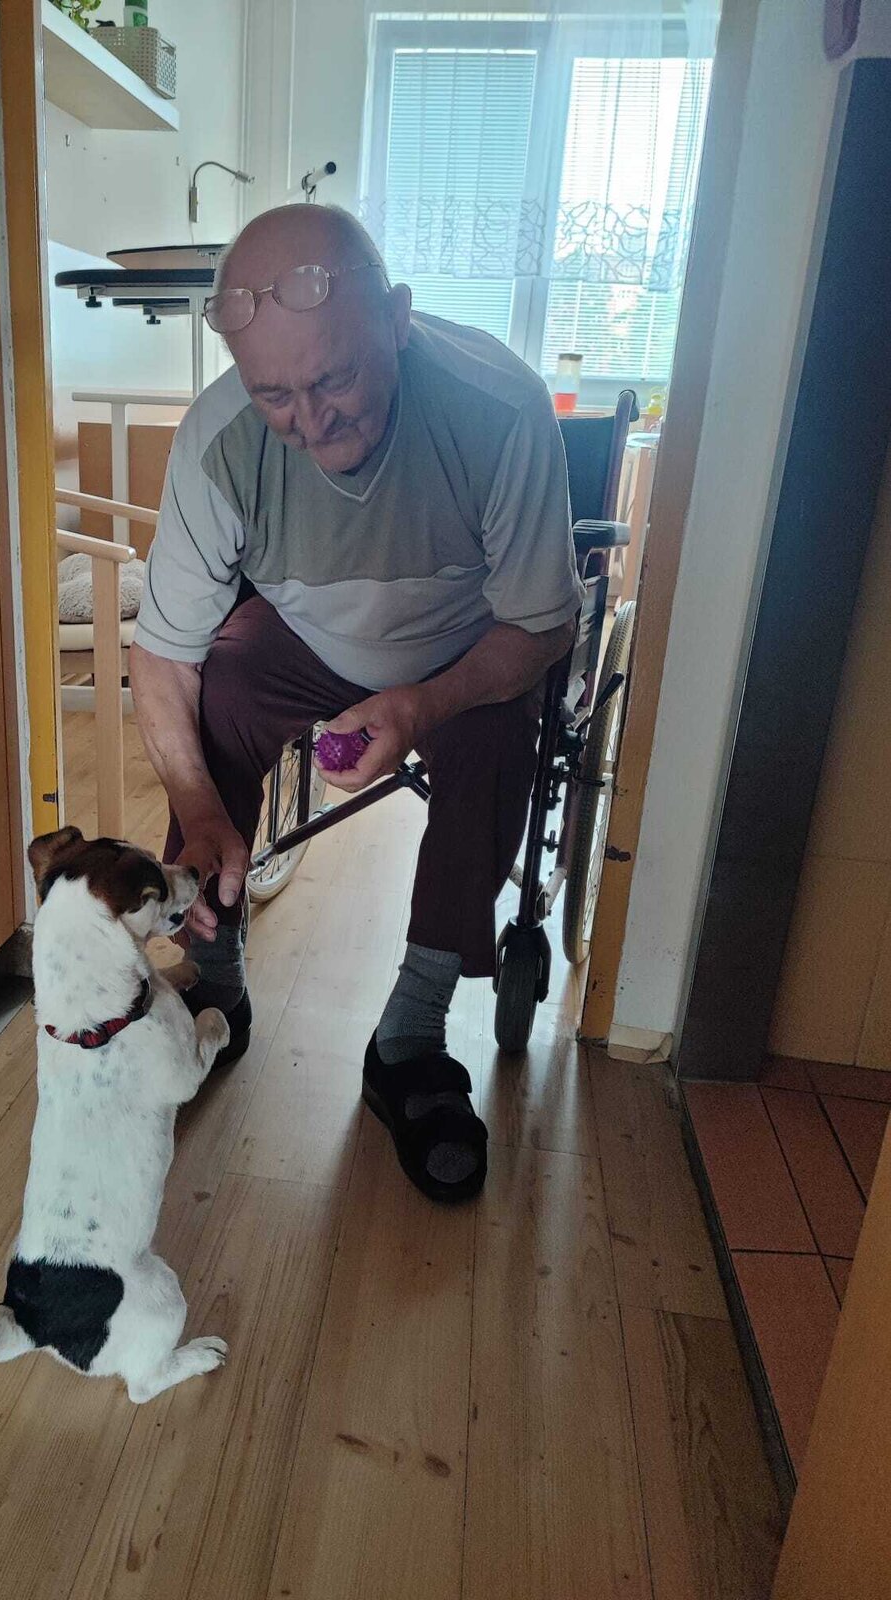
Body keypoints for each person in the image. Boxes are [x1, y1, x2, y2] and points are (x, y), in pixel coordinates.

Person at [130, 204, 579, 1203]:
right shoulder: (219, 442)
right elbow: (161, 654)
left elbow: (542, 627)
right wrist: (196, 803)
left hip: (465, 652)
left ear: (399, 321)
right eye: (275, 394)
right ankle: (218, 983)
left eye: (334, 379)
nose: (310, 419)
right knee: (223, 680)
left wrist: (422, 705)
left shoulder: (501, 407)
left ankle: (410, 1033)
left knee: (499, 731)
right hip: (308, 641)